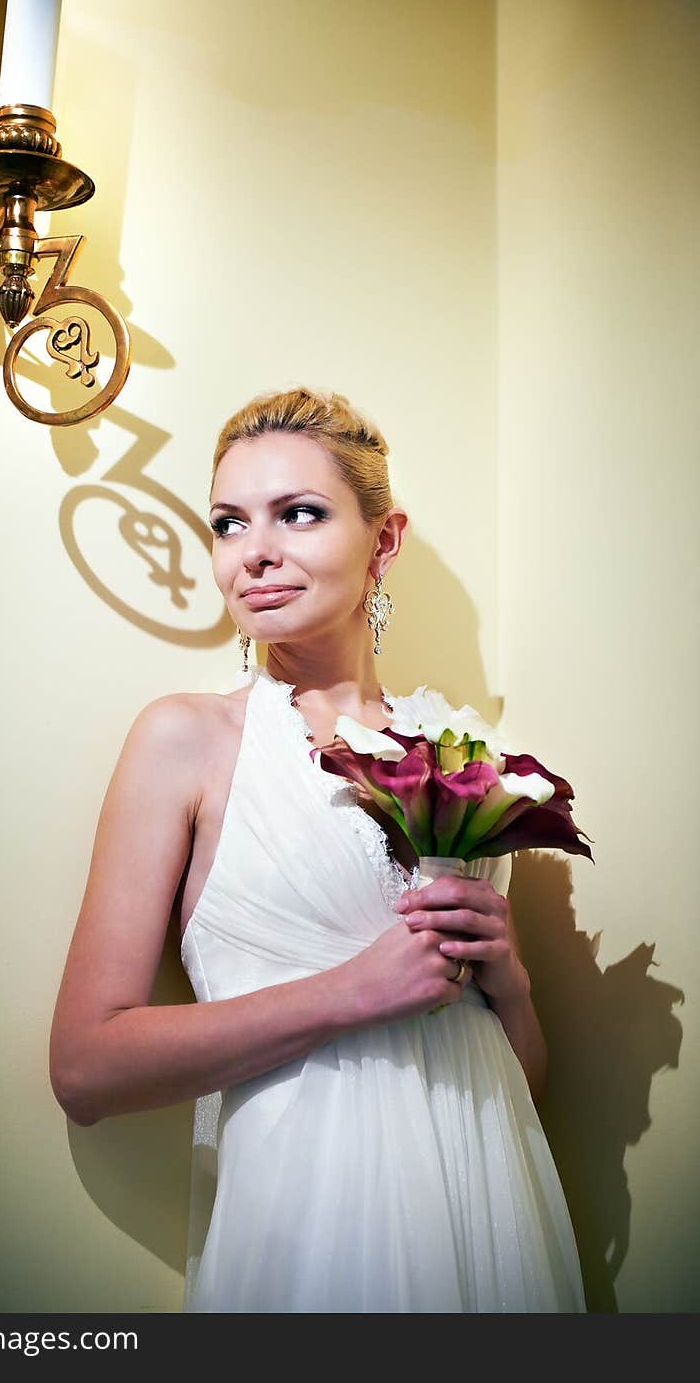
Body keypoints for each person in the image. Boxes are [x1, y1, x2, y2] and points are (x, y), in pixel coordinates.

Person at [49, 386, 587, 1313]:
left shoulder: (465, 755)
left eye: (298, 514)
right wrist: (351, 992)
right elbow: (86, 1068)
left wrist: (511, 984)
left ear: (384, 541)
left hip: (492, 1210)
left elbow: (512, 1082)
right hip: (309, 1226)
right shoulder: (187, 740)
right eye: (227, 523)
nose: (254, 552)